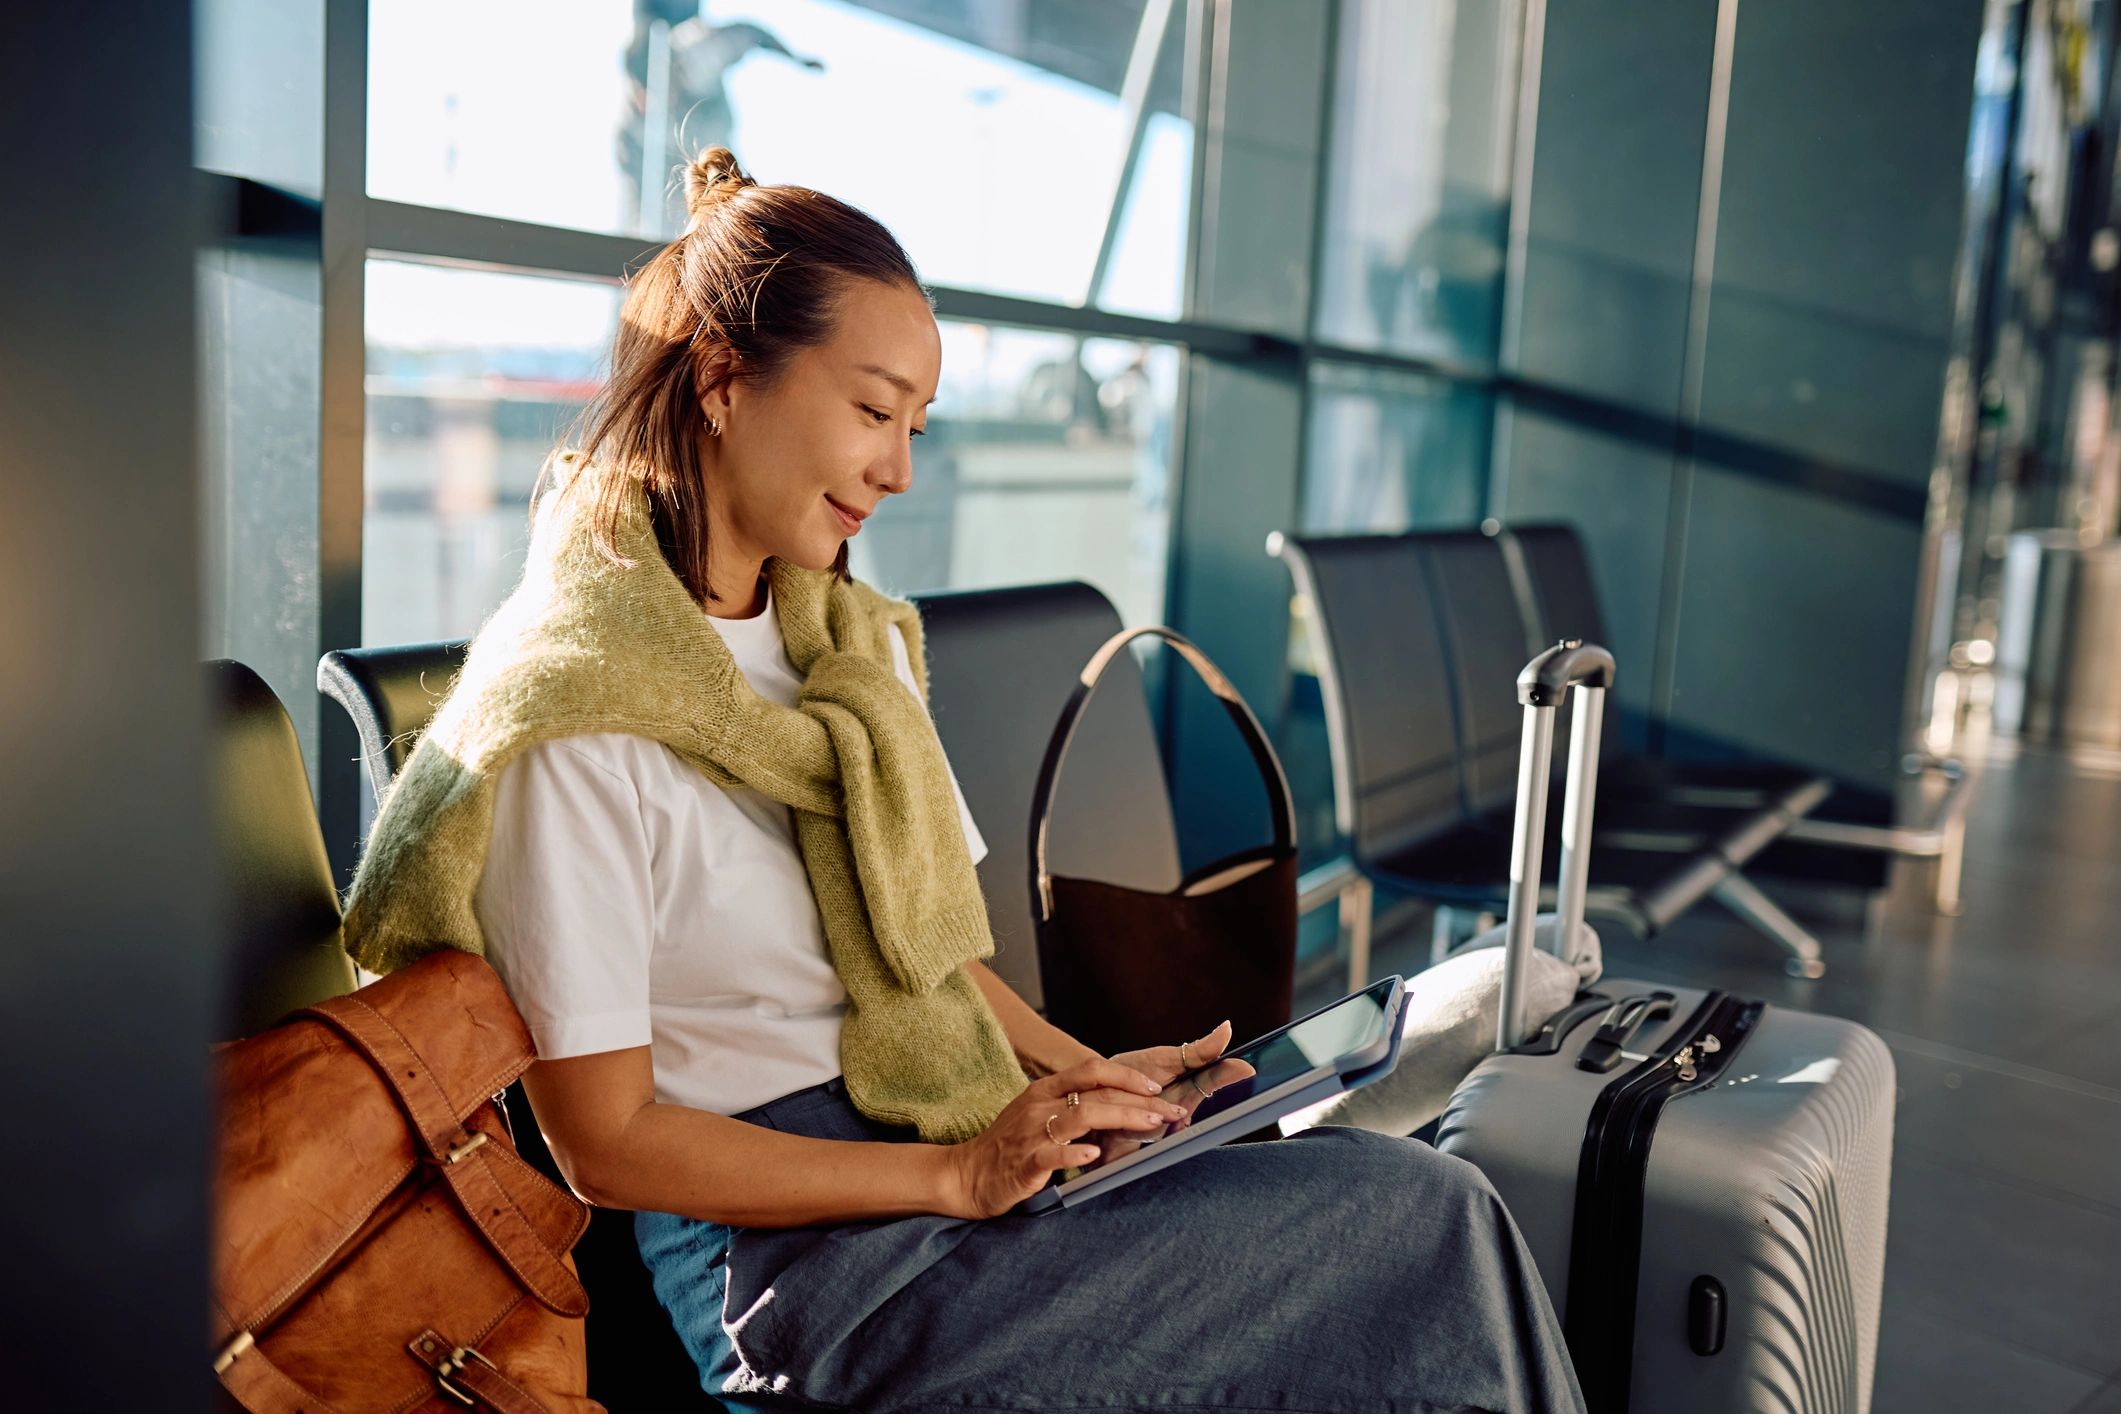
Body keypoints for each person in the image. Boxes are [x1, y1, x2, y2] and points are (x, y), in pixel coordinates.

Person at [342, 147, 1585, 1413]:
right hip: (812, 1270)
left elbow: (927, 961)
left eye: (916, 427)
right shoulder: (575, 718)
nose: (899, 469)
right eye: (874, 411)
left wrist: (1086, 1080)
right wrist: (956, 1178)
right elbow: (602, 1146)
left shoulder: (842, 651)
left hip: (954, 1149)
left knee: (1412, 1208)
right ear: (723, 378)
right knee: (1414, 1220)